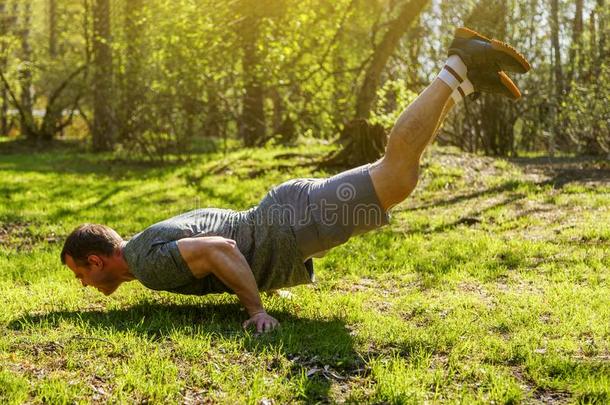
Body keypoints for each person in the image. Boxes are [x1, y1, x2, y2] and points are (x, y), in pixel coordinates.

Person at [61, 28, 531, 333]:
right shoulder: (146, 250)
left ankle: (458, 65)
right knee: (396, 175)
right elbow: (218, 241)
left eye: (79, 273)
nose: (82, 284)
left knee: (397, 174)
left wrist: (256, 310)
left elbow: (220, 250)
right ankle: (466, 78)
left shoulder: (147, 264)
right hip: (287, 216)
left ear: (97, 259)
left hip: (289, 223)